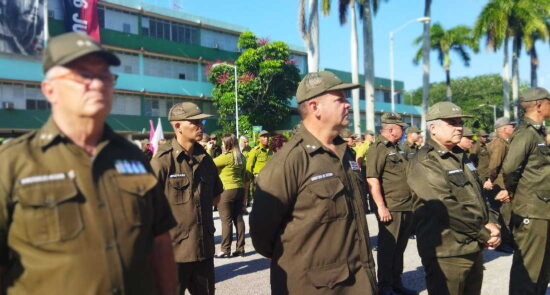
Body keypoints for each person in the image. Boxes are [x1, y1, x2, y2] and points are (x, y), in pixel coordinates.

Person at [0, 32, 177, 294]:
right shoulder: (13, 162)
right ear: (50, 90)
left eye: (104, 76)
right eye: (83, 74)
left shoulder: (133, 157)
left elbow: (160, 241)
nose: (97, 84)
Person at [250, 71, 377, 294]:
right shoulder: (290, 161)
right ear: (315, 107)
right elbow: (262, 233)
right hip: (315, 287)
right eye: (340, 99)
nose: (348, 105)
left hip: (358, 281)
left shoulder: (346, 153)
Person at [407, 101, 501, 295]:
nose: (459, 128)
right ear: (433, 128)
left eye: (459, 122)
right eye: (452, 123)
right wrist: (484, 233)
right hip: (448, 252)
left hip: (472, 245)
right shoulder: (425, 161)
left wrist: (492, 222)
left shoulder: (460, 155)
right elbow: (445, 206)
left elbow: (479, 195)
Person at [151, 102, 223, 295]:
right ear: (177, 126)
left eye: (201, 121)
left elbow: (216, 196)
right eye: (195, 122)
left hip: (203, 251)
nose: (201, 126)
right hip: (173, 255)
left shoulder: (205, 159)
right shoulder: (162, 162)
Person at [502, 87, 550, 295]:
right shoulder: (525, 133)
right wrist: (516, 192)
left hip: (542, 208)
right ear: (539, 104)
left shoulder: (538, 132)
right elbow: (510, 168)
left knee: (542, 267)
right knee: (528, 268)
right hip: (531, 209)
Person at [366, 112, 416, 295]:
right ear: (392, 129)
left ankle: (396, 282)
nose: (403, 131)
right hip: (391, 207)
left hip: (406, 205)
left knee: (400, 248)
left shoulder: (398, 148)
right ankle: (385, 287)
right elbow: (372, 179)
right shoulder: (378, 148)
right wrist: (381, 206)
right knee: (388, 249)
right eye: (401, 128)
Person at [484, 117, 516, 253]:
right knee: (505, 214)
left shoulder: (504, 143)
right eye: (511, 126)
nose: (513, 129)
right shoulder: (500, 144)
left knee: (506, 213)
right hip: (500, 184)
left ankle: (508, 241)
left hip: (502, 183)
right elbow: (494, 165)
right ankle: (504, 243)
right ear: (504, 129)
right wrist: (490, 179)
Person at [213, 134, 246, 258]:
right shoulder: (241, 157)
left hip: (226, 190)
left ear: (227, 144)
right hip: (239, 189)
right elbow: (243, 175)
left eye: (222, 143)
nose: (221, 145)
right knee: (238, 219)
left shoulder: (225, 157)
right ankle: (240, 248)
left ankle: (225, 249)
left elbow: (209, 164)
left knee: (226, 221)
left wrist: (210, 150)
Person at [246, 130, 272, 205]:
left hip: (270, 178)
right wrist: (251, 178)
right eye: (264, 137)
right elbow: (249, 166)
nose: (266, 138)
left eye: (267, 136)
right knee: (259, 200)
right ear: (259, 139)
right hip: (259, 178)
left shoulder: (271, 150)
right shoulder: (255, 151)